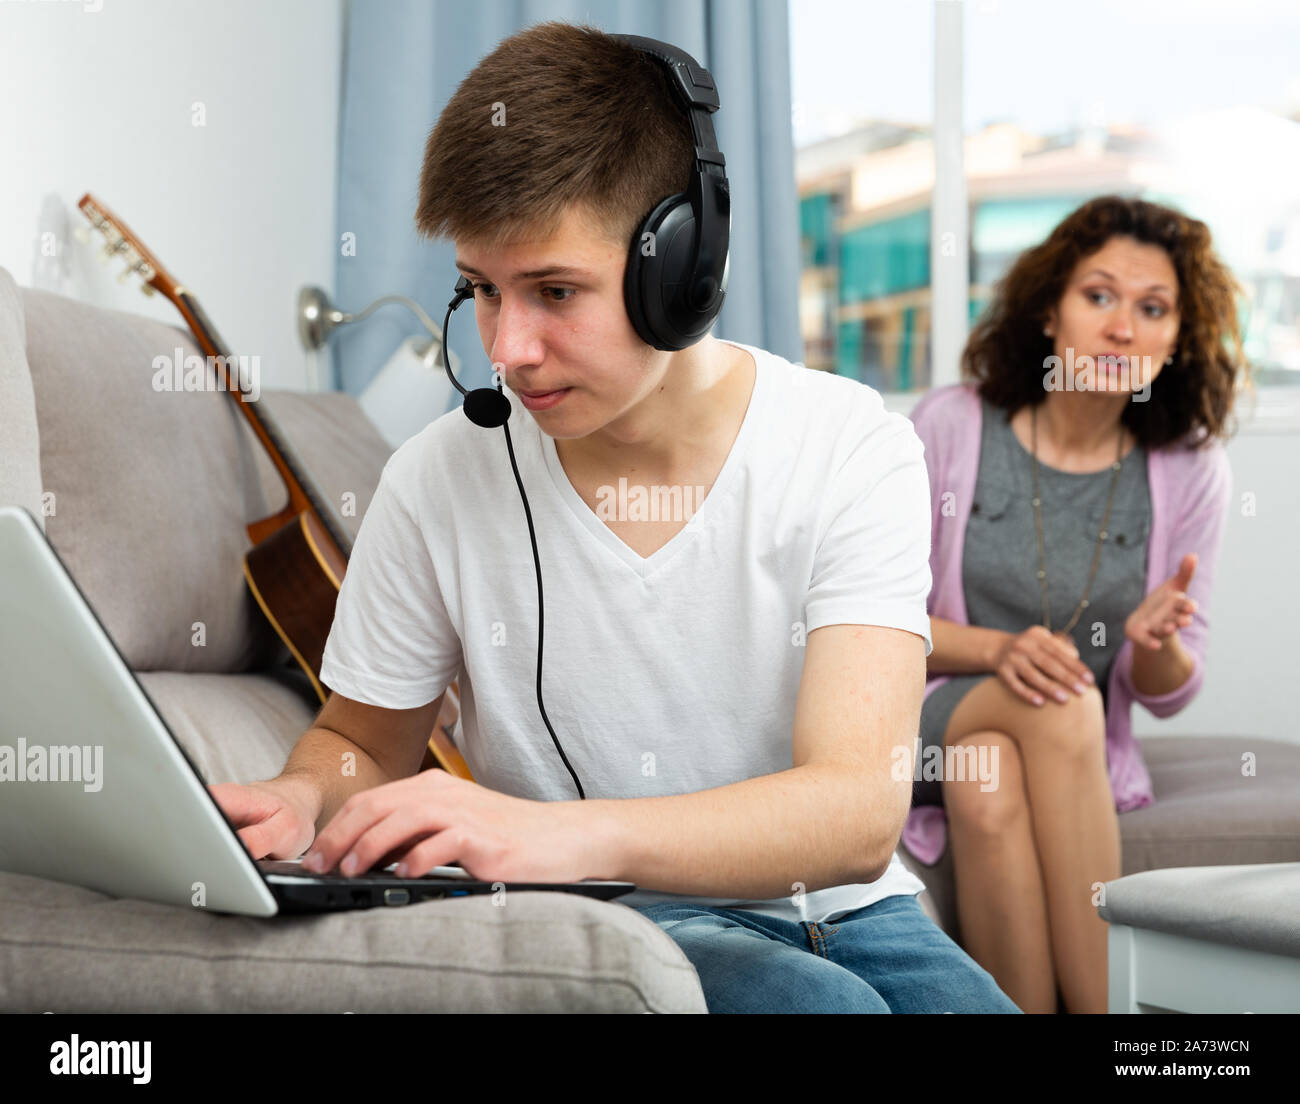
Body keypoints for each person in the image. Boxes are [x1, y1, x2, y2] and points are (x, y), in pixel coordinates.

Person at [210, 21, 1018, 1014]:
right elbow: (363, 743)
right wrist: (301, 795)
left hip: (853, 910)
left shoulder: (850, 444)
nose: (508, 348)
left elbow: (854, 811)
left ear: (677, 268)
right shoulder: (436, 478)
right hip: (609, 912)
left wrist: (559, 830)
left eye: (554, 291)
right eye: (481, 292)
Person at [905, 195, 1251, 1013]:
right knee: (1064, 706)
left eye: (1152, 308)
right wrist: (995, 651)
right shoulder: (951, 426)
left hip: (1029, 751)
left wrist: (1154, 642)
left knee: (988, 788)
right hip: (929, 715)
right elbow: (878, 625)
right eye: (1098, 296)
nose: (1120, 326)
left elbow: (1166, 690)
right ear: (1050, 311)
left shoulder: (1188, 468)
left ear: (1175, 342)